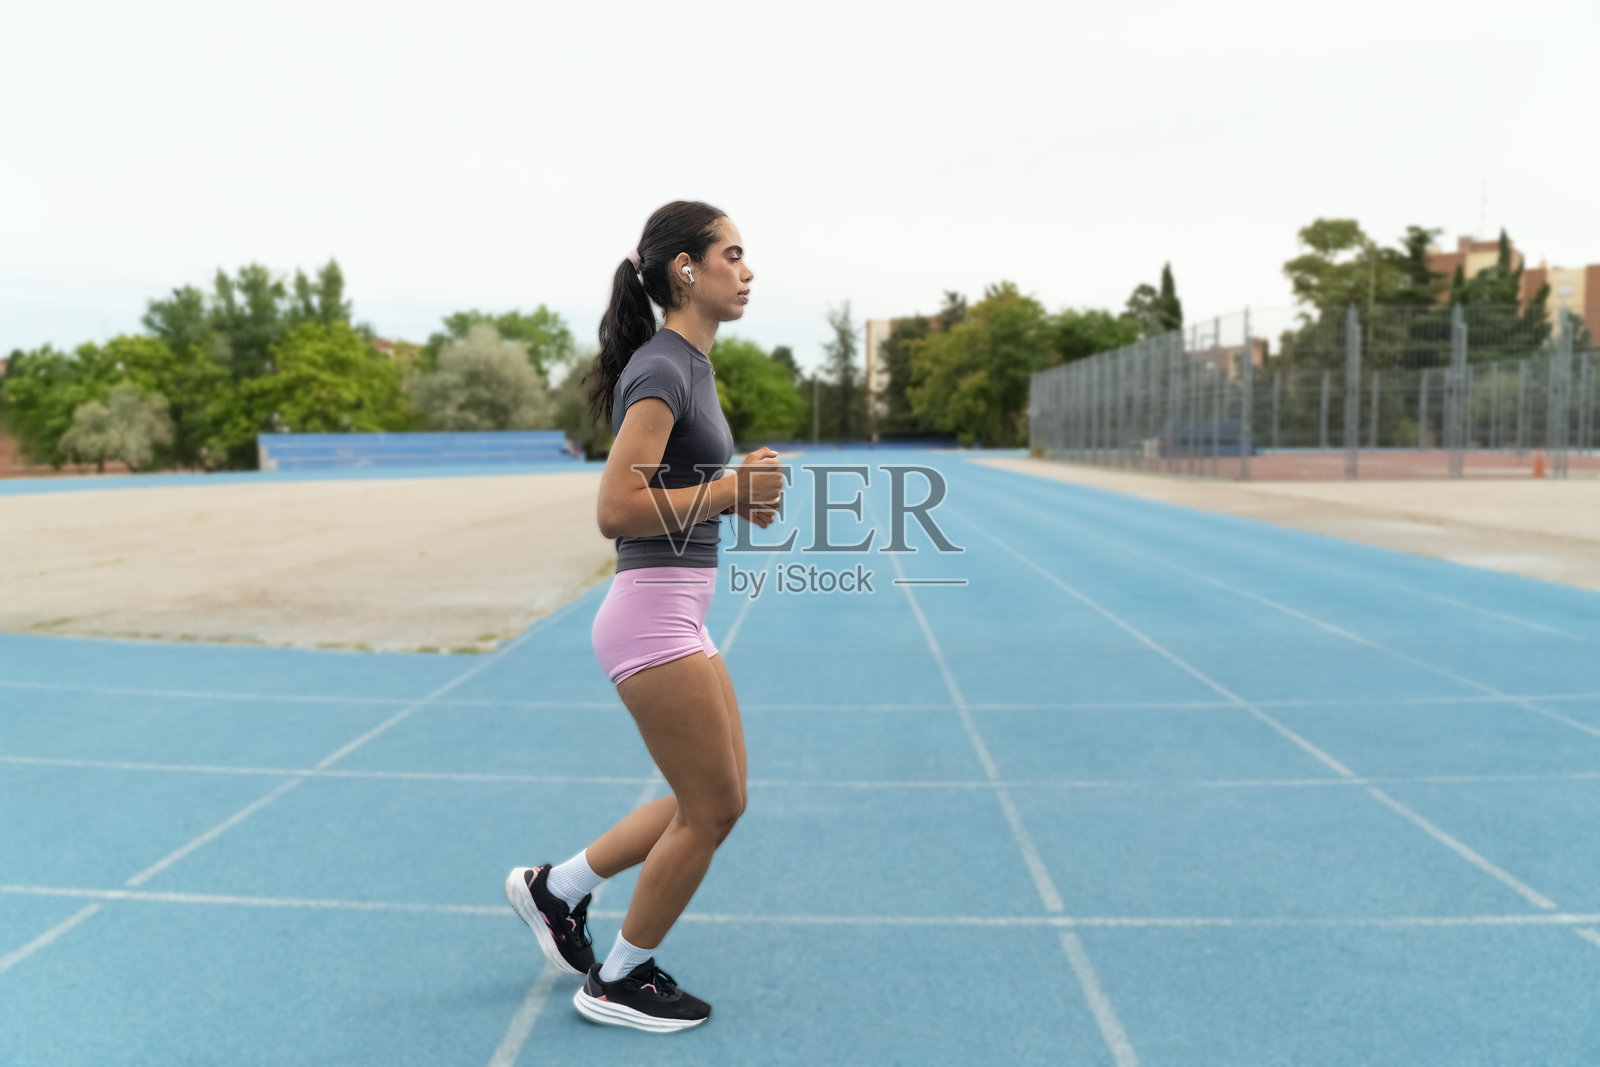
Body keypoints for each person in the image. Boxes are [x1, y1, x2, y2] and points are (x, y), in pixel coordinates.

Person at [504, 200, 784, 1033]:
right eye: (733, 253)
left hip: (677, 610)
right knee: (714, 808)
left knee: (714, 794)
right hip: (650, 618)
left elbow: (673, 496)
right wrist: (731, 489)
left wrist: (736, 501)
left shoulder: (690, 365)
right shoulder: (663, 367)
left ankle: (559, 889)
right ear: (685, 269)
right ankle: (618, 978)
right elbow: (618, 506)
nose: (748, 269)